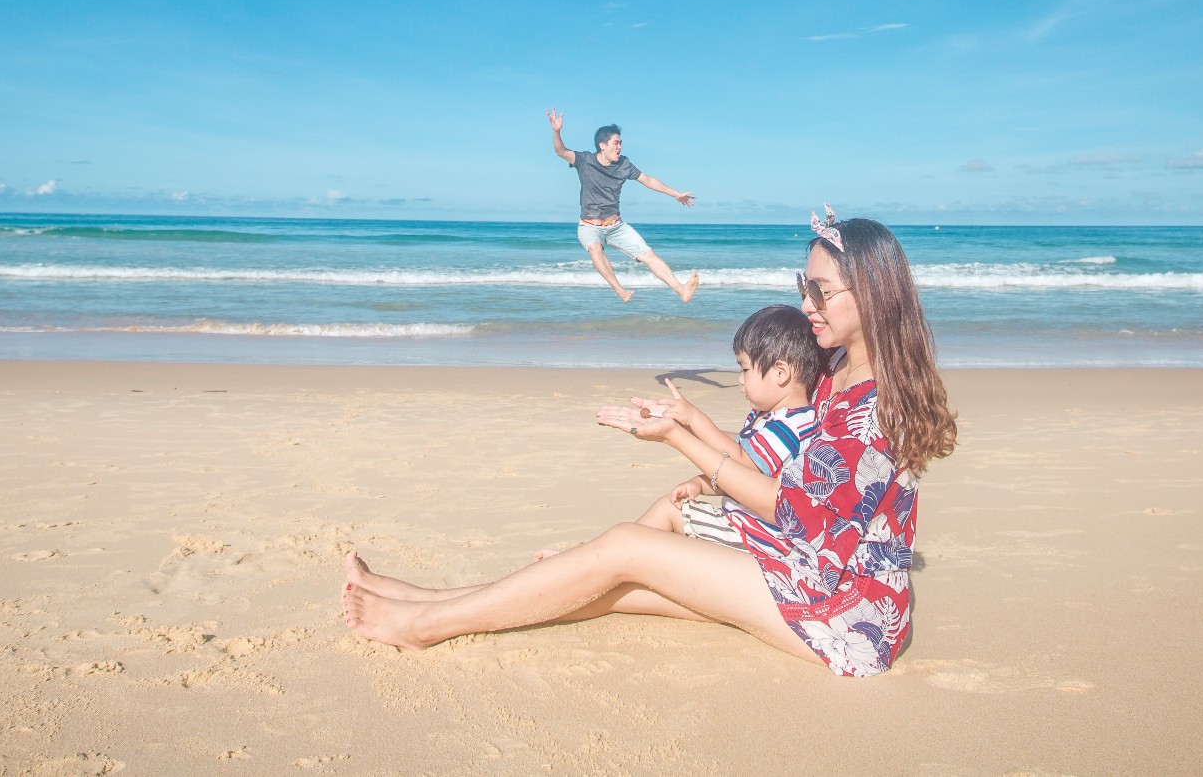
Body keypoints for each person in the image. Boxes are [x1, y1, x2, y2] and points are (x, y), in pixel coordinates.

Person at [341, 211, 960, 678]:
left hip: (845, 612)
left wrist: (683, 443)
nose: (806, 303)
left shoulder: (870, 407)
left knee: (626, 549)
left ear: (872, 296)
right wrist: (690, 428)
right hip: (812, 566)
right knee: (624, 583)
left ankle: (424, 625)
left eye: (820, 291)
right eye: (806, 284)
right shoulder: (834, 369)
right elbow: (791, 480)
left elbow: (796, 510)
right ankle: (430, 598)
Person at [543, 303, 823, 554]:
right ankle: (595, 558)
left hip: (759, 538)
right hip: (746, 527)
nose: (740, 380)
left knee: (670, 512)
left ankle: (591, 561)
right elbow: (740, 458)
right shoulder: (774, 417)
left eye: (745, 369)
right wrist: (697, 481)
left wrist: (693, 419)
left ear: (781, 372)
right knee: (663, 528)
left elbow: (742, 464)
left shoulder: (792, 426)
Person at [545, 109, 700, 304]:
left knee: (648, 255)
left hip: (616, 226)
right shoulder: (585, 160)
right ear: (602, 145)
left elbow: (648, 180)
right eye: (616, 143)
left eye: (621, 143)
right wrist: (556, 131)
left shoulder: (624, 164)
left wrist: (676, 194)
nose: (620, 147)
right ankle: (619, 290)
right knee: (595, 249)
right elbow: (560, 151)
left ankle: (681, 290)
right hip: (589, 226)